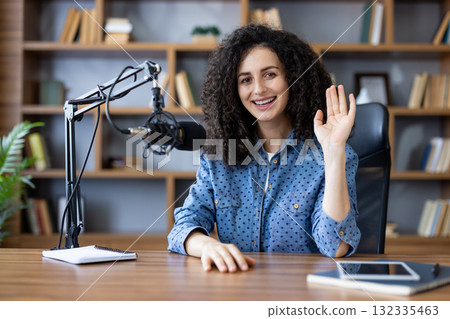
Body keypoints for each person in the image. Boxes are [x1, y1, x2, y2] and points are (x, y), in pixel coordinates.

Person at [167, 24, 361, 273]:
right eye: (245, 80)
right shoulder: (219, 155)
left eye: (269, 74)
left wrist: (334, 152)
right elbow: (183, 226)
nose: (258, 89)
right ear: (233, 91)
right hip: (237, 291)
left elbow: (335, 246)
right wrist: (206, 246)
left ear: (293, 77)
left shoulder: (331, 155)